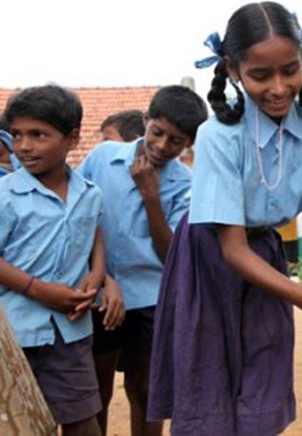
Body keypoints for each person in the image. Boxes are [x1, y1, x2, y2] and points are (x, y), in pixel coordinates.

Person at [147, 1, 302, 435]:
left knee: (264, 381)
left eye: (290, 70)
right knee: (208, 385)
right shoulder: (218, 135)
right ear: (234, 70)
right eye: (261, 75)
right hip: (207, 259)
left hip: (265, 257)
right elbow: (232, 249)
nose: (279, 88)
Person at [78, 85, 208, 436]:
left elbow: (172, 254)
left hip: (153, 299)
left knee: (148, 392)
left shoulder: (186, 185)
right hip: (99, 291)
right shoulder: (103, 157)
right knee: (95, 392)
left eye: (176, 141)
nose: (162, 145)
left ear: (189, 144)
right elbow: (78, 217)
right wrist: (103, 277)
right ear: (146, 120)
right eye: (157, 132)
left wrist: (151, 195)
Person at [0, 84, 106, 435]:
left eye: (38, 135)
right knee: (22, 426)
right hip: (14, 336)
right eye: (17, 135)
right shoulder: (5, 195)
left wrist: (97, 274)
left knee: (83, 424)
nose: (24, 146)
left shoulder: (89, 194)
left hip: (70, 335)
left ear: (72, 139)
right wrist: (38, 290)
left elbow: (93, 233)